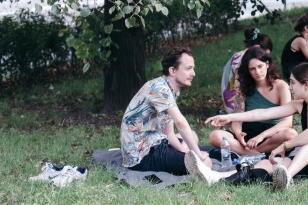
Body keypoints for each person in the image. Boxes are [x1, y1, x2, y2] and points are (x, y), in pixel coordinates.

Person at [185, 63, 308, 191]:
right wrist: (229, 117)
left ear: (306, 84)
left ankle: (287, 178)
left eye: (293, 83)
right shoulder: (300, 105)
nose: (290, 87)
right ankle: (216, 177)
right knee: (272, 163)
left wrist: (285, 145)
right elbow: (262, 113)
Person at [120, 46, 211, 175]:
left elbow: (169, 134)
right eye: (188, 68)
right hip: (142, 155)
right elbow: (180, 122)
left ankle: (188, 155)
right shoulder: (160, 89)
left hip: (156, 142)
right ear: (173, 71)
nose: (193, 73)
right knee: (206, 163)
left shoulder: (170, 90)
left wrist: (184, 151)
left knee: (193, 136)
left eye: (193, 68)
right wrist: (198, 155)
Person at [209, 47, 297, 156]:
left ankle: (252, 153)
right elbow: (237, 117)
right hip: (248, 133)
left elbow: (287, 122)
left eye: (260, 66)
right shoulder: (243, 87)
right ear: (248, 70)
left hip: (271, 135)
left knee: (291, 134)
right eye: (252, 69)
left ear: (267, 64)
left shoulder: (281, 86)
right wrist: (239, 134)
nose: (257, 72)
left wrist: (262, 136)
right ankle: (253, 154)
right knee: (215, 135)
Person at [221, 28, 273, 113]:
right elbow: (239, 89)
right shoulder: (243, 59)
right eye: (265, 54)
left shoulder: (238, 55)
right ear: (257, 47)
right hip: (236, 105)